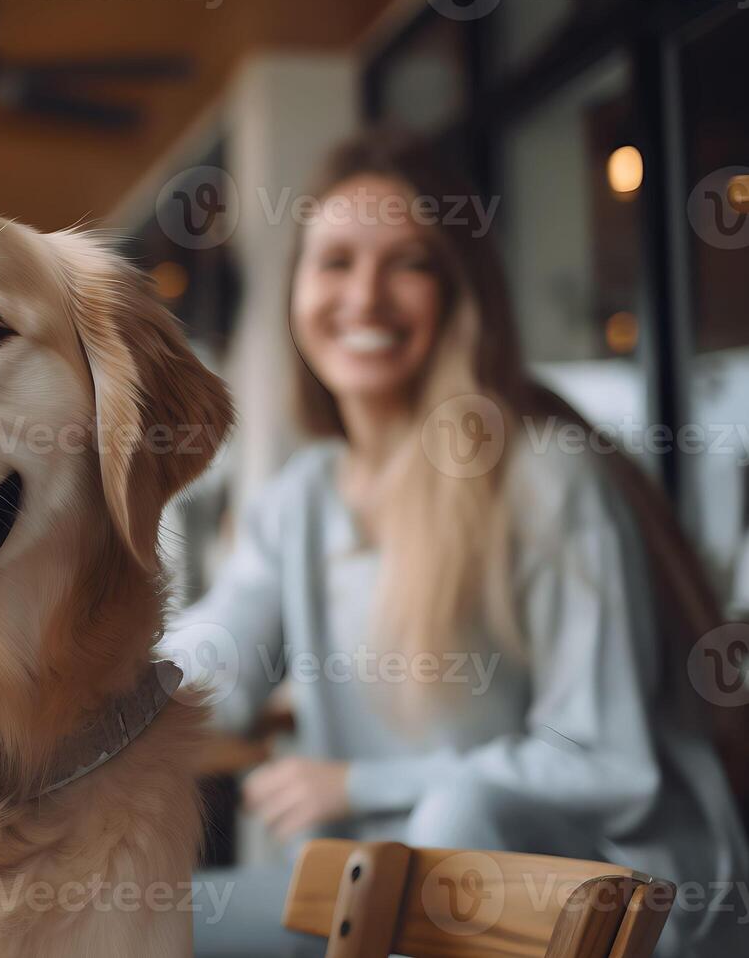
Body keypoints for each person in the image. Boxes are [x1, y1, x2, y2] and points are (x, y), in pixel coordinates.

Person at [163, 131, 749, 957]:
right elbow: (212, 660)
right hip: (377, 888)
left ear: (460, 291)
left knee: (451, 828)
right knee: (125, 922)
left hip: (611, 899)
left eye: (409, 262)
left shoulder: (543, 478)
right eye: (334, 261)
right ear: (296, 288)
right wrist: (74, 693)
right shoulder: (301, 497)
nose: (363, 297)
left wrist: (358, 784)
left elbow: (603, 760)